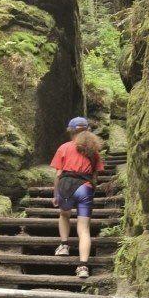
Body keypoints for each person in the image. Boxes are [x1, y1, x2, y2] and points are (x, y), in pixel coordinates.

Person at [50, 117, 104, 280]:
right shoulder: (93, 150)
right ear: (87, 131)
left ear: (71, 131)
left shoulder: (64, 148)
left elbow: (58, 174)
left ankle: (64, 245)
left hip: (66, 185)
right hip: (85, 187)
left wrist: (55, 194)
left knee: (64, 215)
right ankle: (83, 267)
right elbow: (95, 175)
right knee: (84, 229)